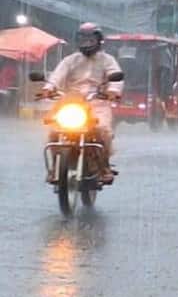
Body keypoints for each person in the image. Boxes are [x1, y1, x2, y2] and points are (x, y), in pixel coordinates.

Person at [43, 23, 123, 183]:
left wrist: (113, 91)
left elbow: (115, 76)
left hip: (97, 102)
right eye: (83, 39)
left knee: (103, 130)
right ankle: (54, 168)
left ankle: (104, 167)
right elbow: (57, 76)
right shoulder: (70, 60)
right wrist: (49, 87)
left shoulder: (108, 60)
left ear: (99, 41)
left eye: (90, 39)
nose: (86, 43)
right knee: (53, 131)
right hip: (71, 101)